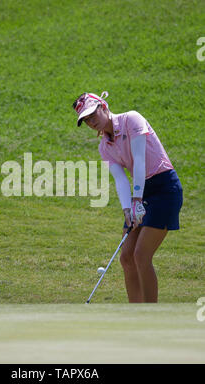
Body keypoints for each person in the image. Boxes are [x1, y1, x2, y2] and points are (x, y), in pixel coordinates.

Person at [72, 91, 183, 303]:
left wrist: (137, 200)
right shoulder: (104, 146)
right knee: (126, 257)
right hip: (142, 193)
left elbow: (139, 160)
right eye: (86, 120)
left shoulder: (132, 119)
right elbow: (121, 180)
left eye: (92, 115)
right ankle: (134, 313)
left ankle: (150, 315)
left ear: (103, 106)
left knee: (141, 255)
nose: (91, 122)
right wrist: (127, 209)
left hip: (164, 189)